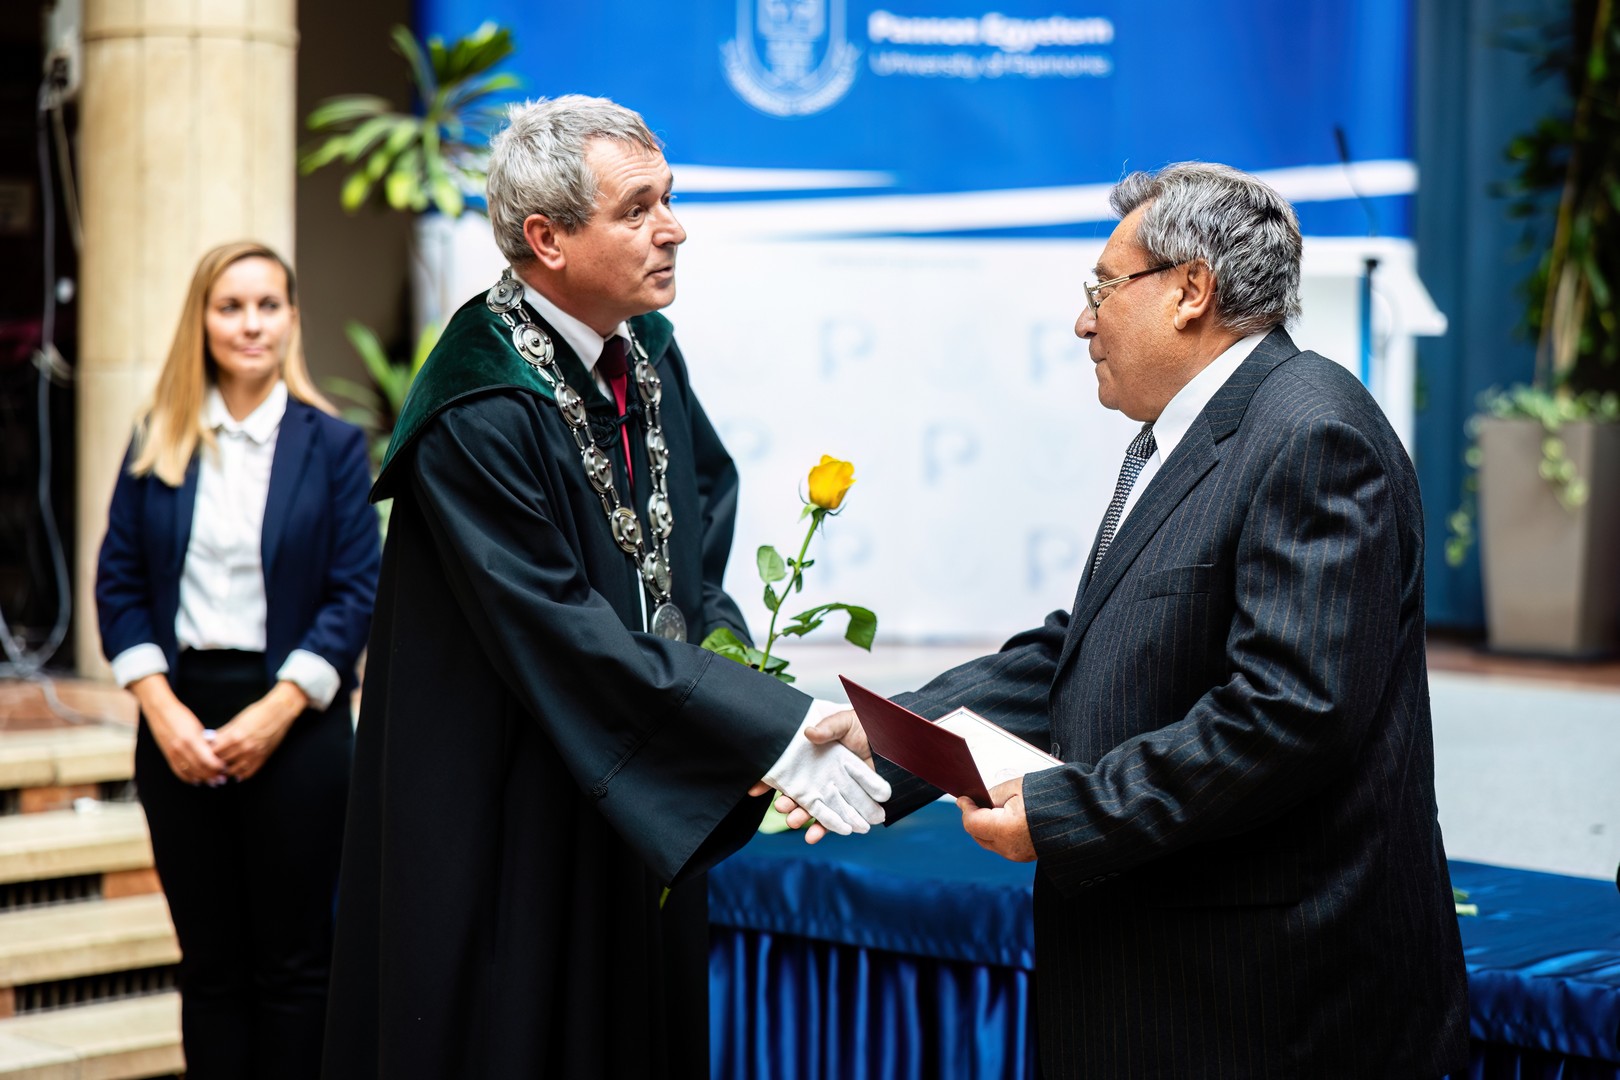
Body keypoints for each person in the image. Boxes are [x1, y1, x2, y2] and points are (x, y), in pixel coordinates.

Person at [792, 163, 1470, 1077]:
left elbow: (1289, 713)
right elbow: (1087, 648)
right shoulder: (1202, 428)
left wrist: (1068, 812)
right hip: (1170, 979)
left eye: (1102, 289)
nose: (1084, 322)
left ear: (1191, 290)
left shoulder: (1312, 431)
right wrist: (894, 734)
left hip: (1271, 1001)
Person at [320, 95, 888, 1079]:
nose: (674, 229)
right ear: (547, 239)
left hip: (633, 777)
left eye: (668, 198)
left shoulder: (647, 351)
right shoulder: (479, 405)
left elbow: (696, 534)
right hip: (512, 809)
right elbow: (557, 626)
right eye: (638, 209)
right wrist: (766, 728)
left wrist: (728, 681)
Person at [95, 241, 380, 1078]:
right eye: (231, 307)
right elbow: (119, 584)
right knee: (210, 966)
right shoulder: (158, 438)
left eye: (267, 305)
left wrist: (276, 712)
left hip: (299, 724)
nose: (251, 324)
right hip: (179, 718)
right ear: (203, 321)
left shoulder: (334, 445)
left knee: (295, 967)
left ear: (291, 319)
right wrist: (162, 711)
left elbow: (356, 591)